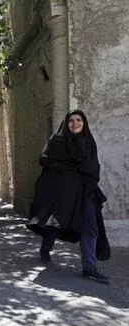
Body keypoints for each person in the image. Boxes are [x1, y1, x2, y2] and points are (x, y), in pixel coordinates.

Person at [27, 109, 111, 285]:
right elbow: (44, 160)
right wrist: (67, 168)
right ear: (66, 123)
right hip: (62, 192)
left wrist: (84, 170)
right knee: (55, 221)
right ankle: (45, 248)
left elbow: (93, 166)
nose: (75, 123)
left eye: (78, 120)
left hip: (84, 191)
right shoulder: (58, 140)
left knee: (90, 225)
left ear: (83, 122)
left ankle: (89, 267)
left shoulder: (89, 141)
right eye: (71, 120)